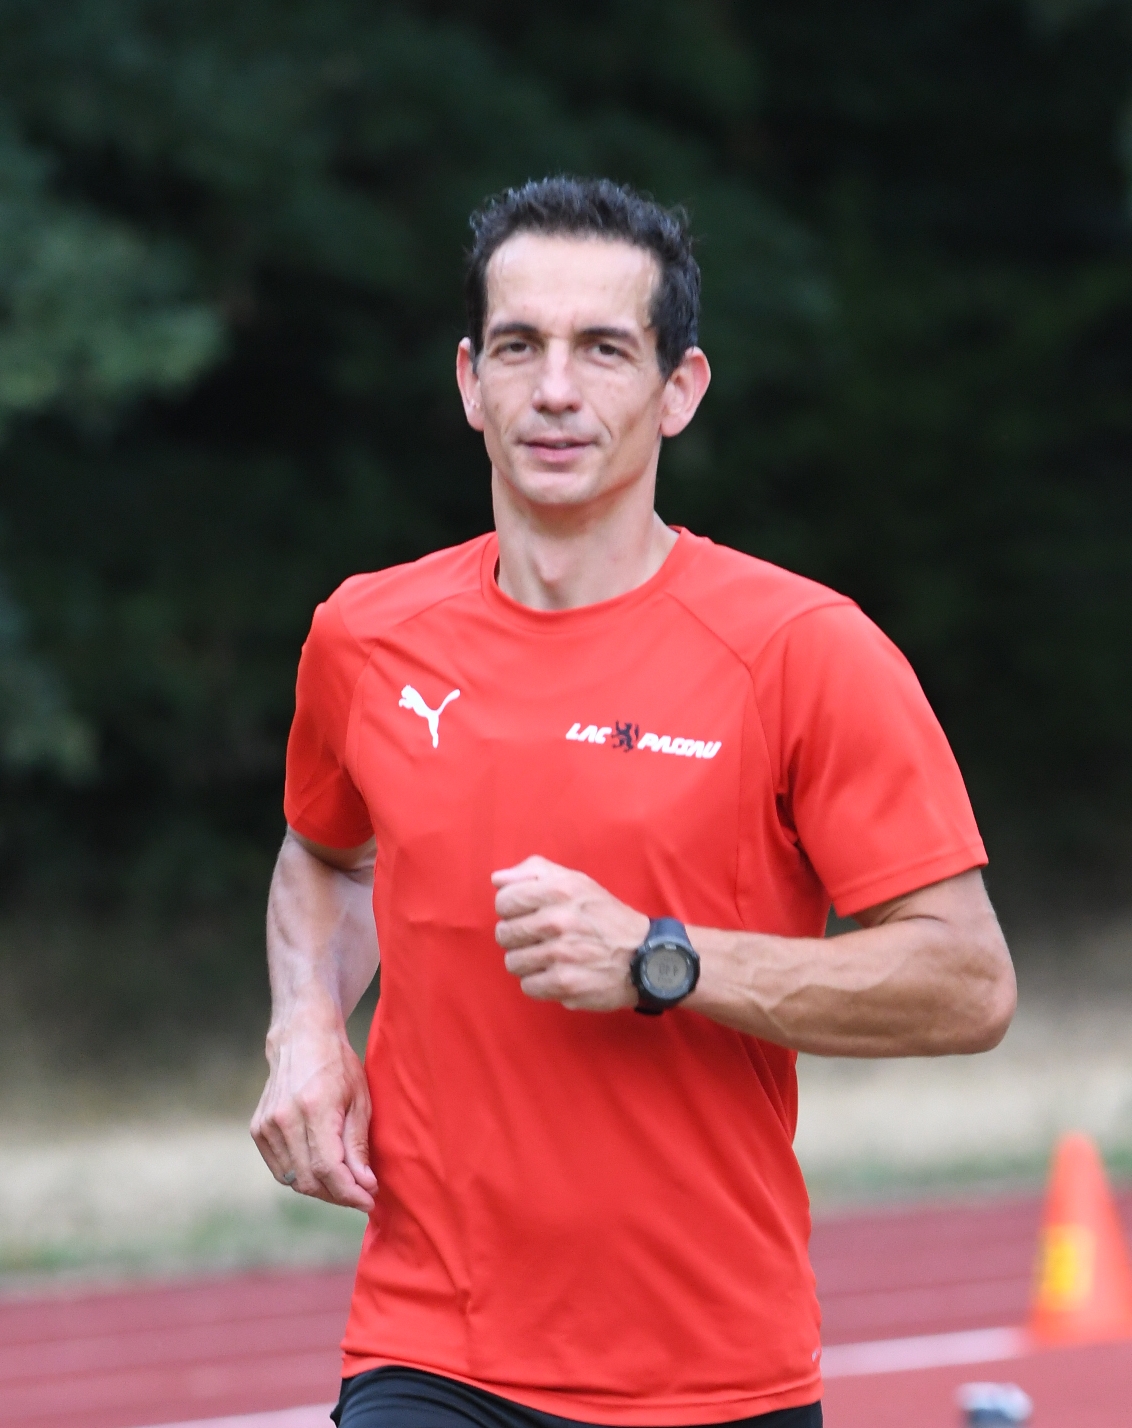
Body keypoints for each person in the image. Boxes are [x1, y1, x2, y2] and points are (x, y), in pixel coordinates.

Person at [251, 176, 1016, 1428]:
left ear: (679, 389)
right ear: (469, 382)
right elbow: (328, 860)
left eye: (603, 349)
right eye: (519, 346)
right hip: (430, 1345)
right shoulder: (365, 635)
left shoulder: (803, 650)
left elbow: (966, 983)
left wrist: (664, 960)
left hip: (712, 1368)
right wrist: (304, 1027)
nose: (555, 389)